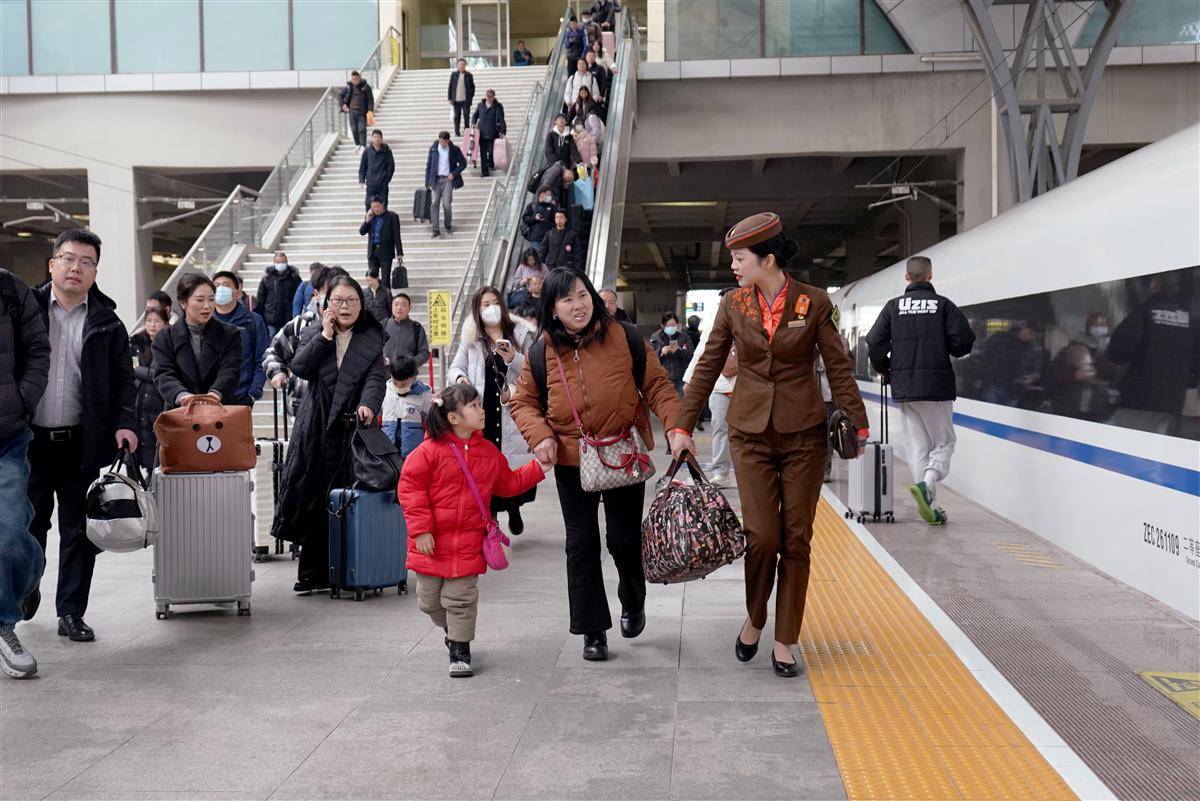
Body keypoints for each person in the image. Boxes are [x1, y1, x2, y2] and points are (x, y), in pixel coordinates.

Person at [673, 213, 869, 677]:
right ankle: (756, 616)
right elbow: (708, 365)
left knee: (796, 538)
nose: (733, 267)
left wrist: (857, 424)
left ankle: (785, 639)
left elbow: (838, 366)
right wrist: (683, 426)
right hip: (750, 434)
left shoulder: (814, 302)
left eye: (739, 258)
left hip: (804, 435)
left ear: (768, 259)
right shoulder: (733, 304)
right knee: (761, 537)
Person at [509, 269, 683, 662]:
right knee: (581, 543)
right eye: (567, 299)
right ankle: (593, 630)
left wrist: (675, 426)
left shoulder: (625, 336)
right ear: (552, 308)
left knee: (624, 539)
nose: (578, 305)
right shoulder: (541, 352)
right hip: (572, 460)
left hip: (623, 451)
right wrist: (542, 436)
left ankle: (633, 599)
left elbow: (657, 384)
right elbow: (523, 402)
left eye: (582, 295)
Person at [28, 229, 138, 644]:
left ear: (95, 271)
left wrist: (125, 424)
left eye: (86, 262)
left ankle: (71, 612)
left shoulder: (108, 323)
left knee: (78, 531)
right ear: (52, 264)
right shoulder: (26, 311)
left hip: (82, 442)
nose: (76, 268)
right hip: (28, 442)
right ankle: (25, 588)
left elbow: (124, 382)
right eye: (69, 259)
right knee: (26, 526)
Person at [399, 383, 548, 677]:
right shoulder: (427, 453)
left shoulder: (487, 452)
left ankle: (460, 647)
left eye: (480, 405)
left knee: (461, 600)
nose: (482, 411)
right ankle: (453, 629)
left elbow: (508, 483)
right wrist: (421, 530)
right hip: (431, 543)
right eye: (474, 406)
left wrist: (538, 468)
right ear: (453, 417)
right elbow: (410, 489)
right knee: (429, 601)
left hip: (469, 542)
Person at [273, 275, 386, 593]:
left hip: (352, 426)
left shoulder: (372, 336)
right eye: (338, 300)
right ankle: (312, 572)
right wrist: (324, 335)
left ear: (361, 305)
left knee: (348, 499)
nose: (345, 306)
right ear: (326, 305)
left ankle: (351, 569)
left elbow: (376, 378)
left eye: (352, 300)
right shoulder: (313, 332)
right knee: (313, 496)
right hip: (316, 426)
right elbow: (300, 367)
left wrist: (368, 404)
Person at [866, 256, 975, 524]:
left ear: (907, 277)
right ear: (930, 275)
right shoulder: (943, 305)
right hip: (936, 387)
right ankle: (928, 483)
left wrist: (885, 368)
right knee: (944, 442)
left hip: (905, 388)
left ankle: (931, 505)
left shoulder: (893, 307)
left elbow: (874, 341)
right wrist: (945, 345)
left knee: (918, 446)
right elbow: (963, 342)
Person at [448, 285, 539, 535]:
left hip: (512, 409)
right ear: (477, 310)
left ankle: (513, 508)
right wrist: (460, 379)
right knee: (485, 469)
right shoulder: (472, 339)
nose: (491, 308)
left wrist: (512, 358)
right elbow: (455, 367)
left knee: (510, 466)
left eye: (495, 302)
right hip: (482, 411)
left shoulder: (520, 333)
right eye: (485, 304)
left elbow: (535, 370)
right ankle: (492, 523)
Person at [0, 267, 49, 679]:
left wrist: (20, 400)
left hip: (6, 436)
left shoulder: (11, 290)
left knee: (11, 530)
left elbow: (37, 351)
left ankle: (5, 620)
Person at [1106, 271, 1200, 435]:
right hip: (1173, 402)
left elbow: (1118, 350)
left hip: (1138, 399)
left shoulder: (1144, 312)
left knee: (1128, 442)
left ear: (1155, 285)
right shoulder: (1191, 319)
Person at [153, 273, 243, 409]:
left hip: (219, 409)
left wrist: (215, 394)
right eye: (200, 300)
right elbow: (163, 373)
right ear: (183, 302)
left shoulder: (229, 334)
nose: (207, 306)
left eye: (211, 299)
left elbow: (230, 370)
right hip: (180, 411)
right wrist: (182, 395)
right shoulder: (165, 337)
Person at [265, 265, 337, 416]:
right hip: (302, 404)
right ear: (316, 294)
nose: (333, 298)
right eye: (328, 292)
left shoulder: (350, 326)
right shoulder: (300, 324)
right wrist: (277, 372)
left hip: (337, 406)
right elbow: (272, 352)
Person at [682, 320, 737, 488]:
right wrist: (689, 379)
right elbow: (701, 353)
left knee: (748, 432)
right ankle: (721, 472)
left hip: (746, 387)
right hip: (719, 386)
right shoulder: (714, 323)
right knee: (720, 429)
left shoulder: (750, 320)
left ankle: (749, 472)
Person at [212, 271, 269, 408]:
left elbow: (262, 359)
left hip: (241, 398)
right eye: (216, 285)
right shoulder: (204, 321)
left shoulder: (253, 321)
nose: (220, 289)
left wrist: (252, 394)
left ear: (237, 292)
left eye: (226, 285)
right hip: (209, 398)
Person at [131, 307, 167, 471]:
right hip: (138, 403)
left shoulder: (167, 344)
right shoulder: (136, 343)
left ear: (165, 323)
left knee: (155, 457)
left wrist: (136, 371)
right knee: (133, 456)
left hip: (157, 403)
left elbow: (156, 374)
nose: (152, 325)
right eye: (149, 321)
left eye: (157, 321)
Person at [979, 320, 1042, 406]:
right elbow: (985, 358)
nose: (1030, 336)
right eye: (1029, 332)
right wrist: (980, 378)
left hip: (1014, 389)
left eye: (1034, 335)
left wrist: (1031, 378)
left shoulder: (1034, 349)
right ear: (1023, 327)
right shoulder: (1000, 338)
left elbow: (1037, 370)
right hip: (993, 384)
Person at [381, 355, 433, 458]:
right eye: (395, 383)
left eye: (404, 384)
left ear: (413, 377)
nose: (399, 387)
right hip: (388, 447)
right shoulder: (384, 390)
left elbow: (430, 420)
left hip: (413, 449)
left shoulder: (423, 394)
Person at [424, 131, 468, 239]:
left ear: (448, 141)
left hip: (447, 180)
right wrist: (427, 182)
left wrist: (454, 173)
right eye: (440, 141)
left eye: (443, 142)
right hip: (435, 179)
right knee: (434, 203)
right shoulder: (433, 149)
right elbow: (429, 166)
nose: (442, 144)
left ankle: (447, 225)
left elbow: (463, 163)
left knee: (447, 204)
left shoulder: (454, 149)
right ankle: (435, 229)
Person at [359, 196, 405, 290]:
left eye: (378, 206)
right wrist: (367, 220)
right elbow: (362, 232)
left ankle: (386, 297)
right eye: (373, 207)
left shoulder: (392, 216)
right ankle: (373, 296)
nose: (376, 209)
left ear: (382, 205)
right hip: (373, 252)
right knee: (372, 277)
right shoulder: (371, 217)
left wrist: (399, 253)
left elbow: (396, 235)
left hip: (386, 252)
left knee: (385, 280)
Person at [255, 252, 301, 337]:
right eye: (278, 262)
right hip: (271, 317)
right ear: (274, 262)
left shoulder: (294, 277)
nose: (280, 264)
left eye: (282, 262)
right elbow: (261, 297)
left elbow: (299, 296)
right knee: (272, 339)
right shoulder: (267, 278)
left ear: (286, 261)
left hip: (289, 317)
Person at [382, 292, 430, 367]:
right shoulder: (383, 325)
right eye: (396, 305)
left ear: (409, 308)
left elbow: (424, 353)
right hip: (384, 372)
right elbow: (372, 348)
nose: (399, 308)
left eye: (403, 305)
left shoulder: (416, 328)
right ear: (392, 307)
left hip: (407, 373)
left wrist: (409, 363)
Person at [650, 313, 693, 397]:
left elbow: (691, 355)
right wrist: (661, 352)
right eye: (668, 325)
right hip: (663, 378)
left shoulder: (684, 337)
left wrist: (678, 351)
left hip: (680, 378)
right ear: (663, 326)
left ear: (677, 325)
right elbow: (650, 357)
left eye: (673, 325)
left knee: (681, 401)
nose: (671, 327)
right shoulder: (655, 338)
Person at [470, 89, 506, 178]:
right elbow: (475, 116)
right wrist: (473, 123)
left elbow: (501, 119)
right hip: (481, 133)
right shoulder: (480, 105)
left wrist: (503, 131)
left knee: (491, 151)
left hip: (493, 133)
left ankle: (491, 163)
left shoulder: (498, 106)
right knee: (483, 153)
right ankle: (484, 172)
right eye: (488, 96)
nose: (489, 98)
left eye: (491, 96)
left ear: (494, 97)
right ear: (485, 96)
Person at [358, 129, 395, 210]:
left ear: (381, 139)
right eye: (375, 137)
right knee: (368, 203)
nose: (377, 139)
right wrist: (361, 179)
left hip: (382, 183)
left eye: (378, 137)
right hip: (371, 183)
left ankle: (383, 218)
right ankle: (370, 217)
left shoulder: (386, 151)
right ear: (372, 138)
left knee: (383, 204)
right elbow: (363, 166)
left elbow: (391, 166)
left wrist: (386, 179)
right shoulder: (367, 151)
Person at [339, 70, 375, 152]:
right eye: (353, 79)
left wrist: (370, 112)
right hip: (351, 111)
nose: (354, 81)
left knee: (362, 129)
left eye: (356, 79)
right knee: (354, 129)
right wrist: (343, 105)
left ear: (359, 78)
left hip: (362, 111)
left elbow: (370, 99)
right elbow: (340, 96)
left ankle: (363, 145)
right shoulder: (348, 87)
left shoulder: (366, 87)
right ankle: (357, 144)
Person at [447, 59, 475, 138]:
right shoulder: (454, 75)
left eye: (463, 64)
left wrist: (470, 95)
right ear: (457, 65)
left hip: (466, 100)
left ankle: (466, 130)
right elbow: (450, 86)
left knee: (466, 115)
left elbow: (473, 87)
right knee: (457, 116)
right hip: (456, 100)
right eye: (460, 64)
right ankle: (457, 132)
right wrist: (449, 98)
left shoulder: (469, 75)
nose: (461, 66)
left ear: (465, 65)